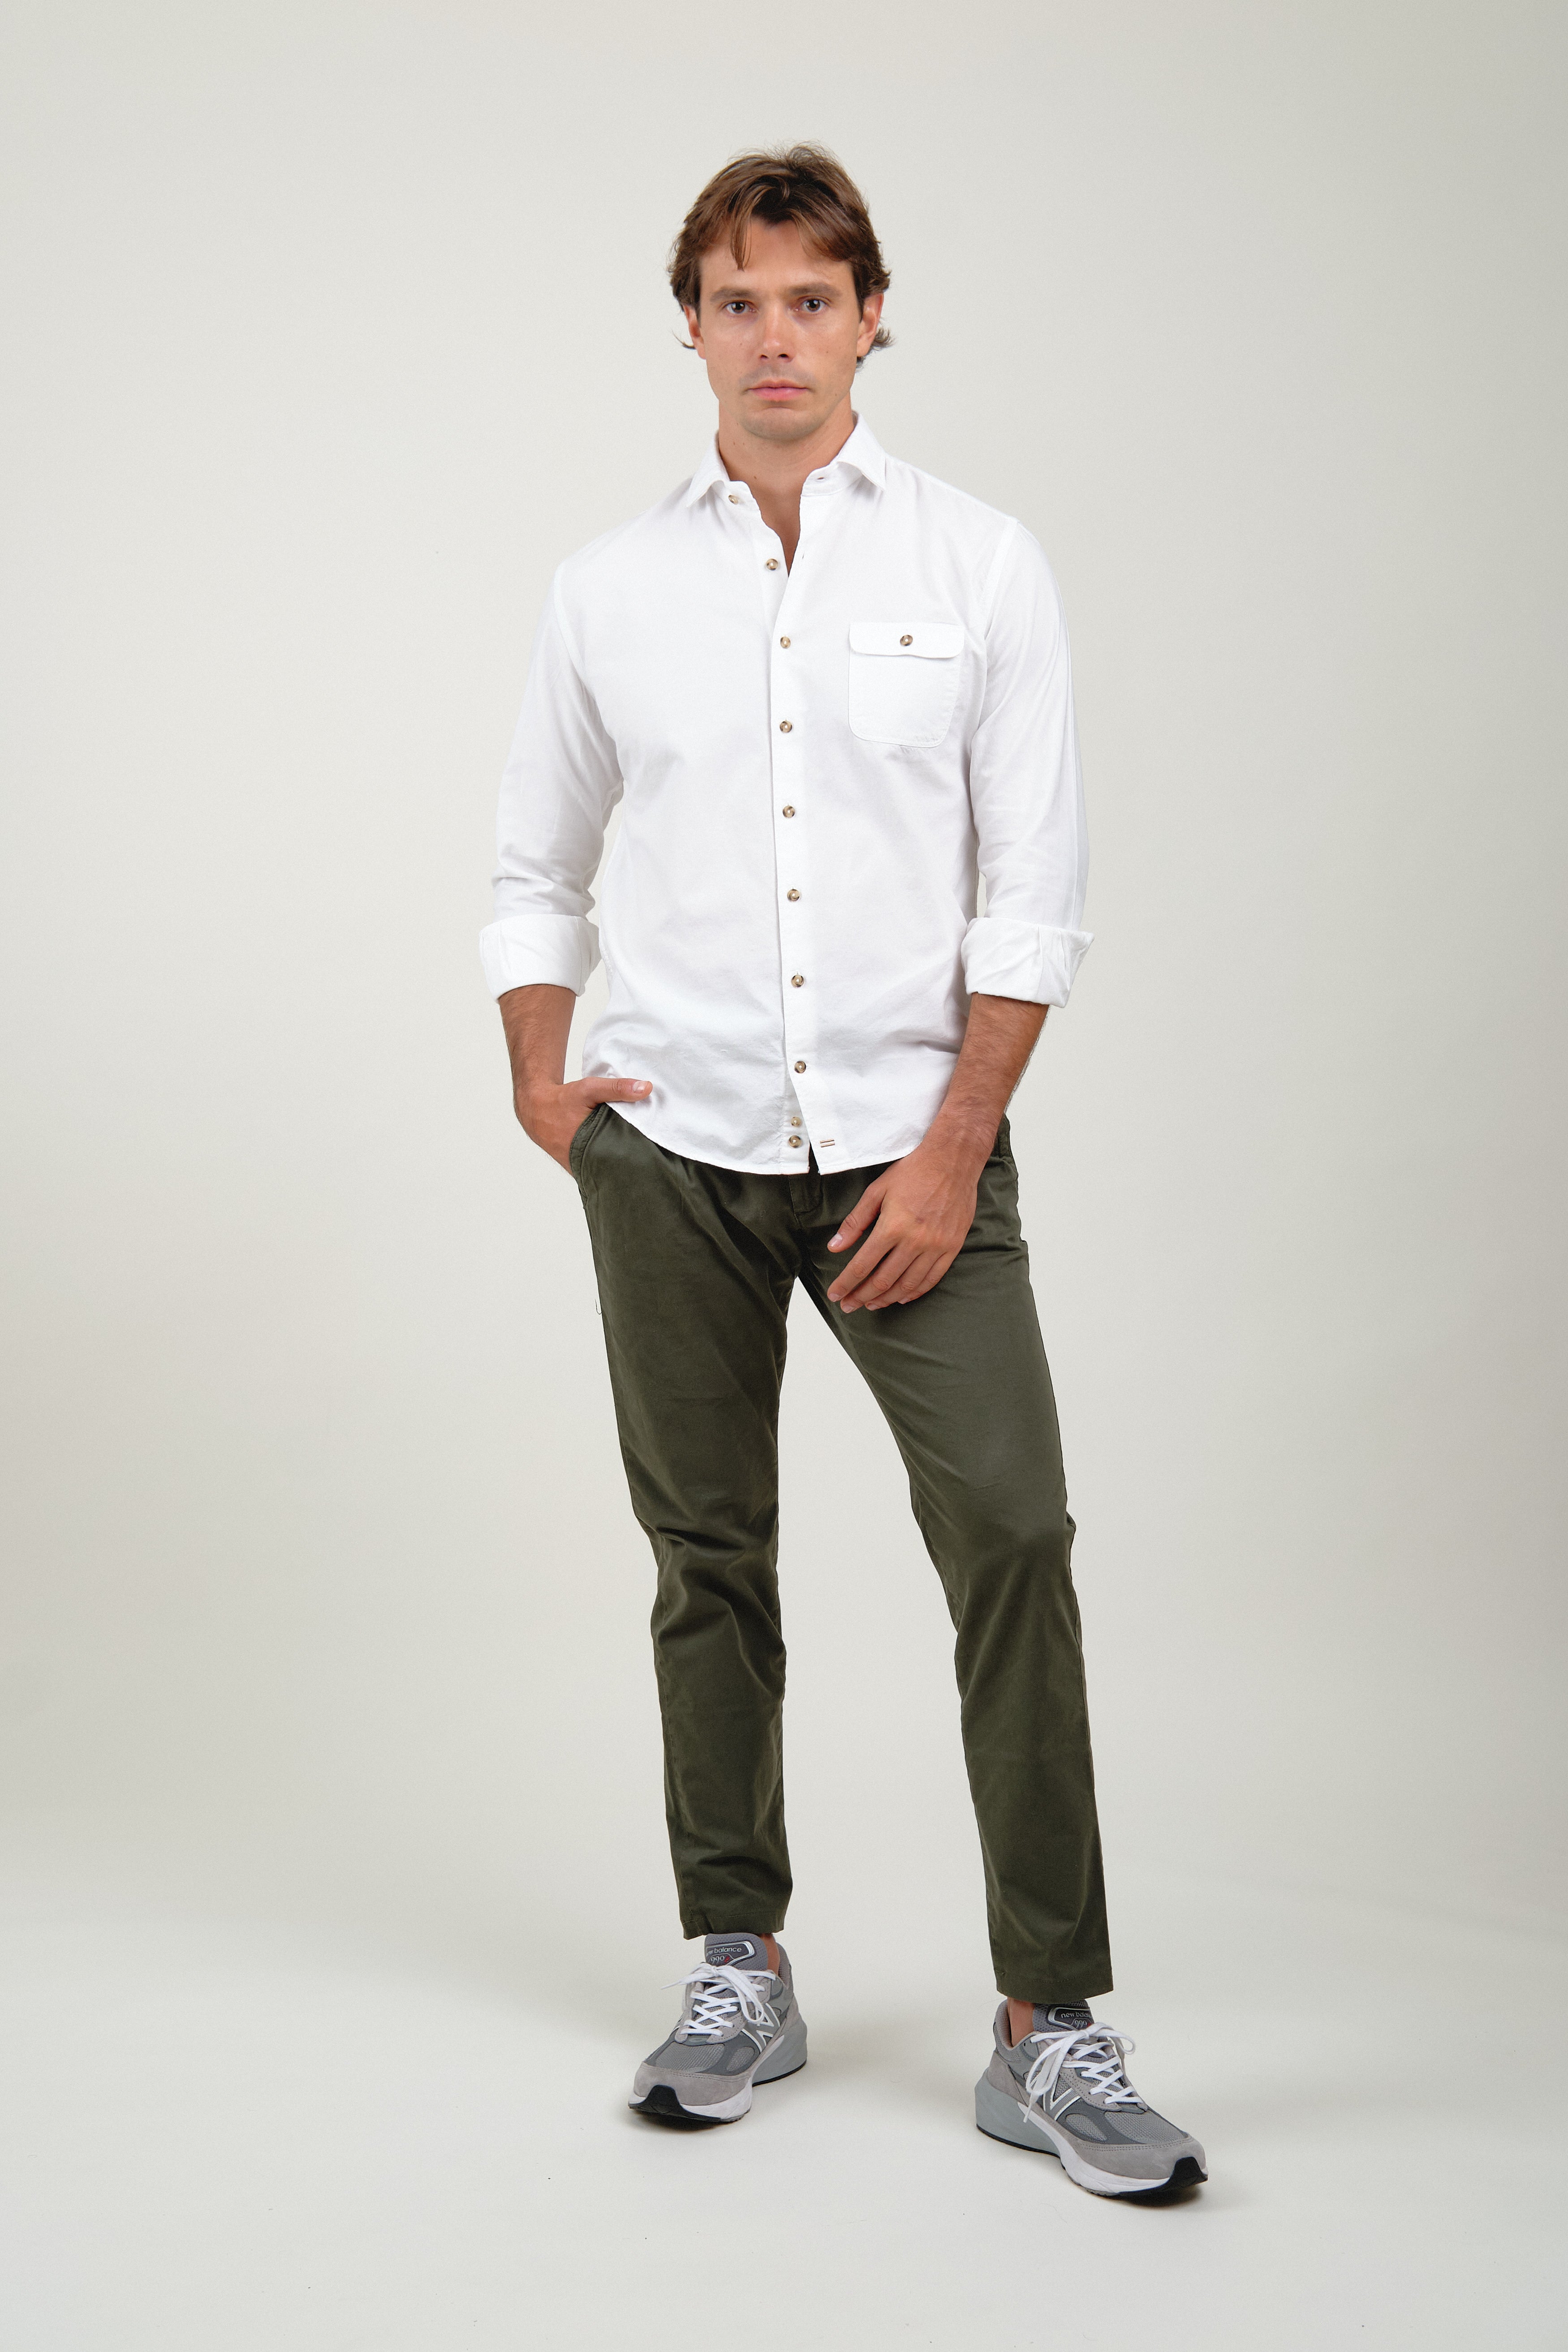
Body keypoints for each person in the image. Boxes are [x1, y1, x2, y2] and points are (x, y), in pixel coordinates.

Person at [481, 145, 1206, 2199]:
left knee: (1012, 1535)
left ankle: (1046, 2022)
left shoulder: (981, 563)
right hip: (676, 1154)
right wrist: (547, 1086)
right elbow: (534, 862)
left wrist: (955, 1143)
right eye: (738, 300)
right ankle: (738, 1962)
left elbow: (1031, 888)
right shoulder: (607, 589)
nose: (774, 337)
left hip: (912, 1152)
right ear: (691, 327)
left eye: (810, 298)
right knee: (705, 1556)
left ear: (869, 316)